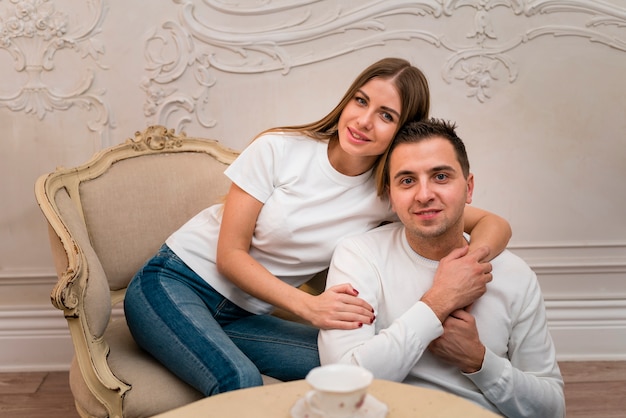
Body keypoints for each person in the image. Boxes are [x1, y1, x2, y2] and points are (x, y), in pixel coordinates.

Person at [124, 58, 512, 397]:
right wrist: (309, 307)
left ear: (402, 130)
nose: (364, 120)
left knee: (352, 372)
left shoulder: (389, 195)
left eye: (386, 115)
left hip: (241, 316)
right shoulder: (278, 149)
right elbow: (229, 256)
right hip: (172, 283)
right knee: (238, 379)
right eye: (361, 101)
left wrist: (463, 268)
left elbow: (494, 224)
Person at [318, 118, 565, 417]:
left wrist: (479, 361)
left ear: (469, 188)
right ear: (391, 197)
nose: (424, 195)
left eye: (440, 177)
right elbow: (344, 384)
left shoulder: (515, 275)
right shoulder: (358, 255)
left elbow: (552, 409)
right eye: (407, 180)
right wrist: (438, 302)